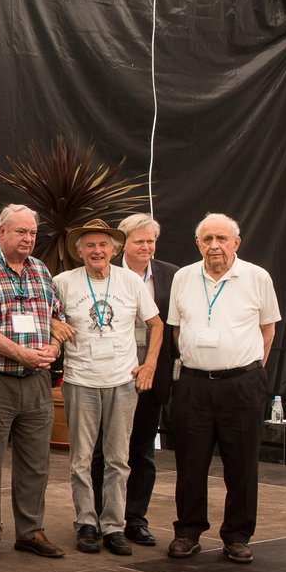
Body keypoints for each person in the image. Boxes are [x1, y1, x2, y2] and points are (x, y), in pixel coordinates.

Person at [166, 213, 279, 564]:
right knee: (190, 463)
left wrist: (250, 371)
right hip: (194, 385)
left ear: (236, 243)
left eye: (221, 238)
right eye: (207, 239)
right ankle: (187, 531)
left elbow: (268, 329)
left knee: (242, 463)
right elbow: (175, 328)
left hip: (242, 385)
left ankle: (237, 535)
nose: (214, 245)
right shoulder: (183, 277)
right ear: (198, 244)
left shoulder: (257, 277)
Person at [53, 219, 162, 556]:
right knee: (81, 459)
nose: (97, 251)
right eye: (90, 246)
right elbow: (45, 315)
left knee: (119, 459)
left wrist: (150, 366)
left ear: (114, 249)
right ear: (79, 251)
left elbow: (156, 325)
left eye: (103, 245)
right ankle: (86, 522)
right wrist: (54, 322)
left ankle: (114, 526)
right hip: (80, 381)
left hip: (121, 382)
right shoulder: (62, 283)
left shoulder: (130, 281)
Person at [0, 204, 66, 559]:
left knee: (37, 461)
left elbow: (57, 318)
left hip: (37, 380)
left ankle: (31, 530)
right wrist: (21, 354)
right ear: (2, 232)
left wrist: (52, 348)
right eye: (21, 232)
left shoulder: (41, 271)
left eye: (33, 233)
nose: (28, 239)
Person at [90, 213, 178, 546]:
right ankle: (100, 517)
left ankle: (135, 519)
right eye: (139, 241)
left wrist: (156, 367)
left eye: (150, 241)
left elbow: (170, 328)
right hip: (111, 375)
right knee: (105, 451)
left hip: (151, 376)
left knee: (142, 451)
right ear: (122, 243)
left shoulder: (171, 275)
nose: (146, 247)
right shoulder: (105, 275)